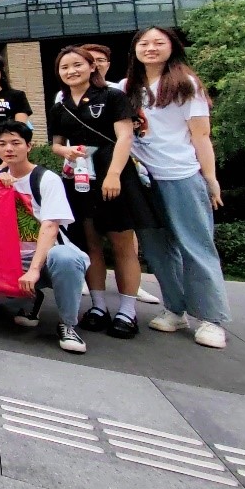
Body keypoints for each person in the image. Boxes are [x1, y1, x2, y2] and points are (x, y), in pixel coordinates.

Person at [123, 27, 231, 349]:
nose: (151, 48)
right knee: (157, 249)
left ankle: (211, 318)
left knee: (195, 246)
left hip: (180, 175)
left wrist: (210, 178)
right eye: (144, 43)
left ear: (172, 47)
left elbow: (201, 135)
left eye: (159, 43)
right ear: (135, 50)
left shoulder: (185, 84)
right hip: (143, 178)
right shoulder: (128, 87)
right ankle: (175, 309)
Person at [49, 46, 157, 339]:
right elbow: (56, 144)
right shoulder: (60, 106)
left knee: (122, 244)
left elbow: (125, 136)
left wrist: (113, 174)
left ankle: (127, 311)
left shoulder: (112, 96)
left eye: (77, 65)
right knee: (89, 243)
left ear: (91, 67)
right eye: (64, 67)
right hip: (80, 178)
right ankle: (98, 306)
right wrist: (65, 151)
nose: (71, 71)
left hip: (113, 174)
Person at [0, 120, 90, 354]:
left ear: (29, 146)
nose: (8, 149)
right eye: (2, 143)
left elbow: (50, 226)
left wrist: (35, 269)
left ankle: (68, 324)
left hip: (46, 258)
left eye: (15, 143)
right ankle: (31, 301)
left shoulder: (46, 179)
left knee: (66, 258)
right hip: (14, 258)